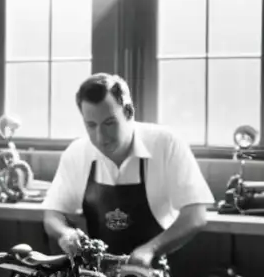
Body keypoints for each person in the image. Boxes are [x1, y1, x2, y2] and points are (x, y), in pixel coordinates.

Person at [43, 73, 214, 267]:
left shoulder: (166, 143)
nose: (101, 137)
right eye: (91, 125)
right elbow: (52, 216)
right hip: (101, 276)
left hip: (158, 271)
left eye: (109, 123)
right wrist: (65, 233)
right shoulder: (77, 153)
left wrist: (150, 249)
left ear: (129, 112)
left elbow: (196, 216)